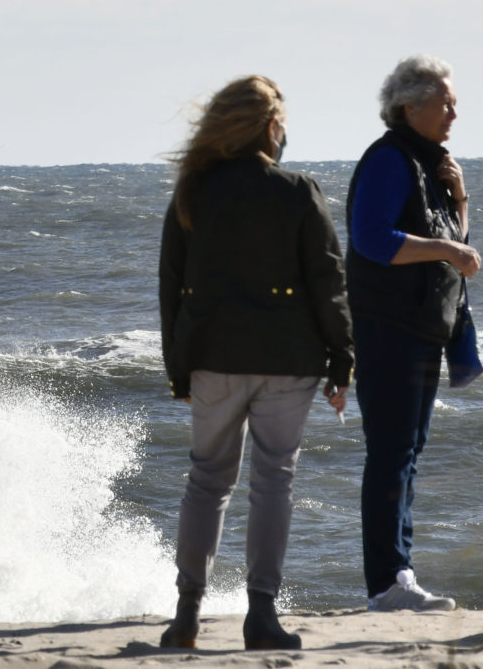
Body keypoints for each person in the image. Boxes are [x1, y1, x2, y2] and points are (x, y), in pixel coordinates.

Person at [156, 76, 353, 653]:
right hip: (288, 361)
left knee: (207, 481)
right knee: (274, 481)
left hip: (213, 359)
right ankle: (261, 615)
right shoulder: (297, 191)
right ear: (271, 127)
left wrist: (178, 369)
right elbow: (328, 282)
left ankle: (187, 613)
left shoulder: (192, 192)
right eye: (283, 122)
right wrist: (342, 361)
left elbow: (172, 286)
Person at [345, 56, 481, 613]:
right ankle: (388, 582)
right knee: (392, 453)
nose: (454, 112)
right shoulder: (388, 160)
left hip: (425, 328)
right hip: (390, 329)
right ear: (411, 106)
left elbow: (451, 248)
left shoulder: (432, 164)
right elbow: (371, 238)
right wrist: (449, 248)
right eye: (445, 102)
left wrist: (461, 202)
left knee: (407, 452)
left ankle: (397, 574)